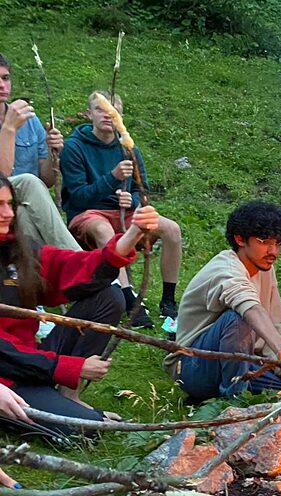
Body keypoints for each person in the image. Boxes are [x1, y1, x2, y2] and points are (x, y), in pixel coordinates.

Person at [0, 174, 156, 437]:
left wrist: (131, 235)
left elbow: (71, 266)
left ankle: (66, 396)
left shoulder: (17, 249)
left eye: (9, 204)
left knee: (108, 295)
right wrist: (70, 366)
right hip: (6, 373)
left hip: (31, 361)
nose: (7, 213)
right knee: (84, 432)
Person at [60, 90, 183, 329]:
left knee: (172, 229)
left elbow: (143, 191)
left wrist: (133, 201)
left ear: (121, 116)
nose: (107, 115)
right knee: (103, 228)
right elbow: (79, 198)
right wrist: (113, 177)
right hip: (89, 216)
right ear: (89, 114)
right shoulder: (74, 147)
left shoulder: (128, 149)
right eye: (100, 110)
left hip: (126, 214)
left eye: (113, 111)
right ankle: (128, 299)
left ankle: (168, 300)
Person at [164, 201, 281, 401]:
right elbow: (250, 308)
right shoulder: (226, 269)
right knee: (238, 319)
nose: (273, 252)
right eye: (264, 242)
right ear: (240, 239)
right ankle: (233, 403)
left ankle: (239, 391)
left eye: (277, 244)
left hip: (243, 362)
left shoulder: (265, 268)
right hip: (193, 366)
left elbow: (276, 324)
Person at [0, 53, 79, 251]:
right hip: (4, 199)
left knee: (25, 217)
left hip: (21, 204)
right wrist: (9, 129)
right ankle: (79, 263)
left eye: (5, 78)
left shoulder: (29, 119)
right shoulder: (15, 120)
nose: (2, 85)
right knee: (27, 181)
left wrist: (55, 154)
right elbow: (2, 179)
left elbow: (46, 180)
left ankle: (46, 277)